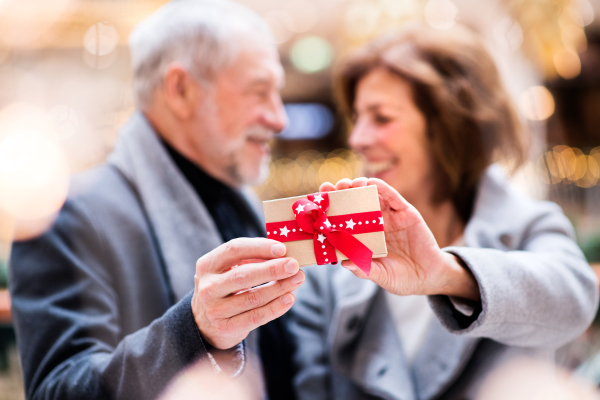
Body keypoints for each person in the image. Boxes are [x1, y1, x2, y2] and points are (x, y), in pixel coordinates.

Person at [9, 1, 304, 399]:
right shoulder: (67, 218)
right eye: (259, 91)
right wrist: (194, 331)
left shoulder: (243, 208)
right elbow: (56, 391)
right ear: (181, 90)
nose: (279, 118)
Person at [288, 24, 599, 400]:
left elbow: (574, 301)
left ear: (451, 127)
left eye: (382, 118)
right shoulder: (335, 254)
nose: (357, 139)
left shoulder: (526, 226)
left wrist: (445, 275)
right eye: (358, 118)